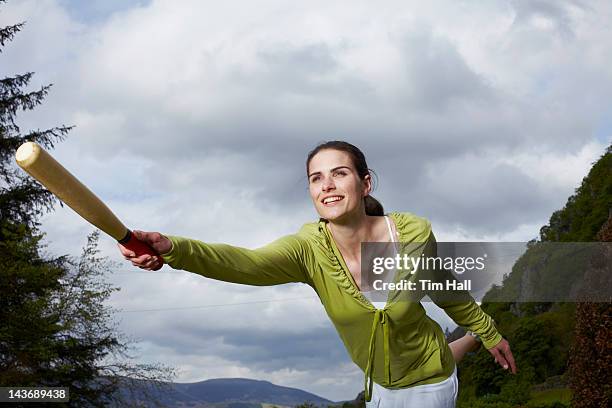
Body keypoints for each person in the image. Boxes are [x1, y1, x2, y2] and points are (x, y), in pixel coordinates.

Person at [119, 141, 516, 407]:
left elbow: (444, 287)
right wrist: (174, 249)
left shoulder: (411, 234)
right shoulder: (308, 249)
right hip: (378, 385)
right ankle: (469, 341)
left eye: (339, 173)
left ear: (364, 183)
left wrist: (490, 329)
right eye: (316, 177)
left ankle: (470, 340)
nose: (327, 184)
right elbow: (245, 263)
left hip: (431, 385)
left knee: (429, 349)